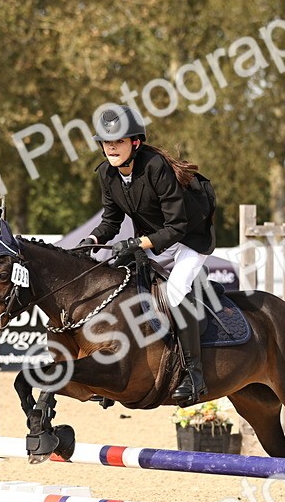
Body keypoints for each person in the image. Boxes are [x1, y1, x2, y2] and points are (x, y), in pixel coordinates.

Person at [79, 106, 216, 406]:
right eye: (106, 142)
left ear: (135, 143)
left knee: (175, 294)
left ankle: (194, 375)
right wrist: (92, 239)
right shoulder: (107, 173)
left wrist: (139, 243)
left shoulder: (155, 167)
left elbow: (177, 226)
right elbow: (110, 221)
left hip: (189, 239)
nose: (111, 147)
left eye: (118, 141)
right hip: (152, 241)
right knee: (118, 287)